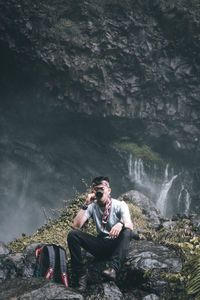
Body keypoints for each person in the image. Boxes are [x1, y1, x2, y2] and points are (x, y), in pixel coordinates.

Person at [67, 176, 133, 292]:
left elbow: (129, 224)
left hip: (115, 244)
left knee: (127, 231)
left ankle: (112, 269)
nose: (99, 192)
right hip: (101, 244)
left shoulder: (119, 205)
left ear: (109, 190)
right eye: (96, 189)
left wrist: (120, 224)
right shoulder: (92, 206)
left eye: (102, 188)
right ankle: (82, 276)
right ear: (93, 192)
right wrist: (85, 204)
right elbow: (76, 226)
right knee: (73, 235)